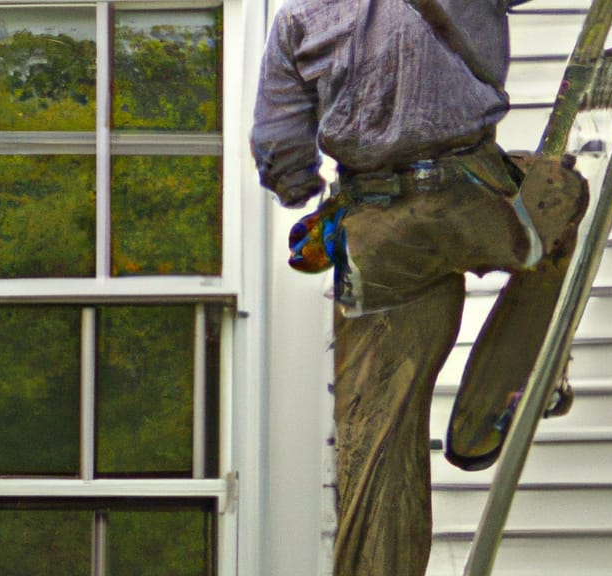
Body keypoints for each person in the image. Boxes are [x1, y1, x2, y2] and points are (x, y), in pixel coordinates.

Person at [251, 1, 587, 574]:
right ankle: (488, 409)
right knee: (562, 194)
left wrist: (305, 187)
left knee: (375, 443)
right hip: (473, 200)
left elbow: (281, 152)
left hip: (379, 237)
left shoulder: (299, 18)